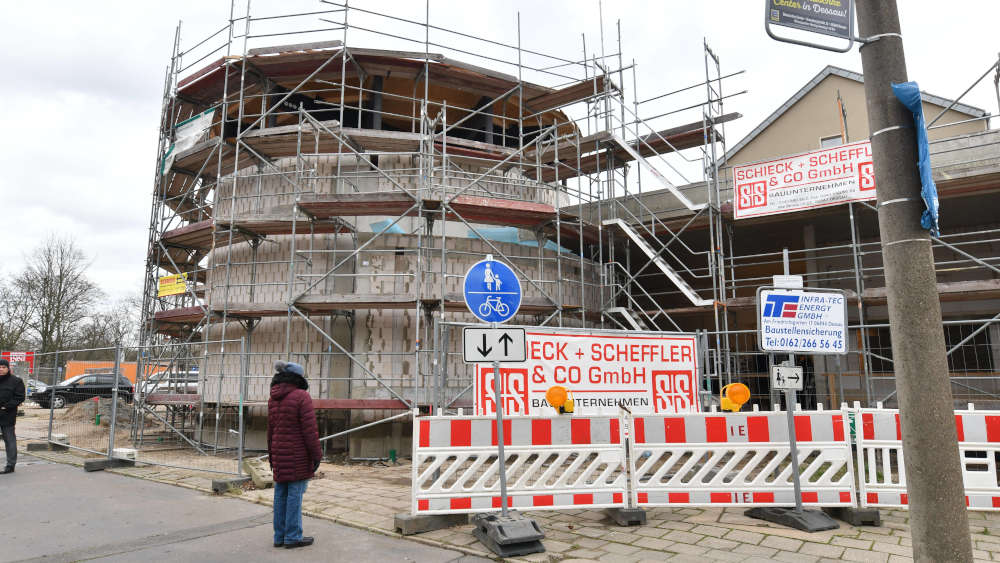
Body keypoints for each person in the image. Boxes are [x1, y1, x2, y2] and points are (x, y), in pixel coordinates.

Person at [267, 361, 322, 549]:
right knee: (294, 496)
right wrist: (317, 455)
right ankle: (293, 536)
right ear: (298, 378)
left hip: (278, 453)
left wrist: (271, 456)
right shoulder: (301, 396)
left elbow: (270, 430)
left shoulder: (273, 398)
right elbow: (310, 431)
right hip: (297, 454)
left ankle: (279, 536)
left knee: (280, 494)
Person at [0, 358, 26, 474]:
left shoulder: (16, 381)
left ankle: (10, 465)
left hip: (7, 415)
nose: (1, 369)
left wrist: (7, 406)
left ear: (8, 368)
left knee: (9, 440)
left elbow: (20, 397)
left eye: (3, 367)